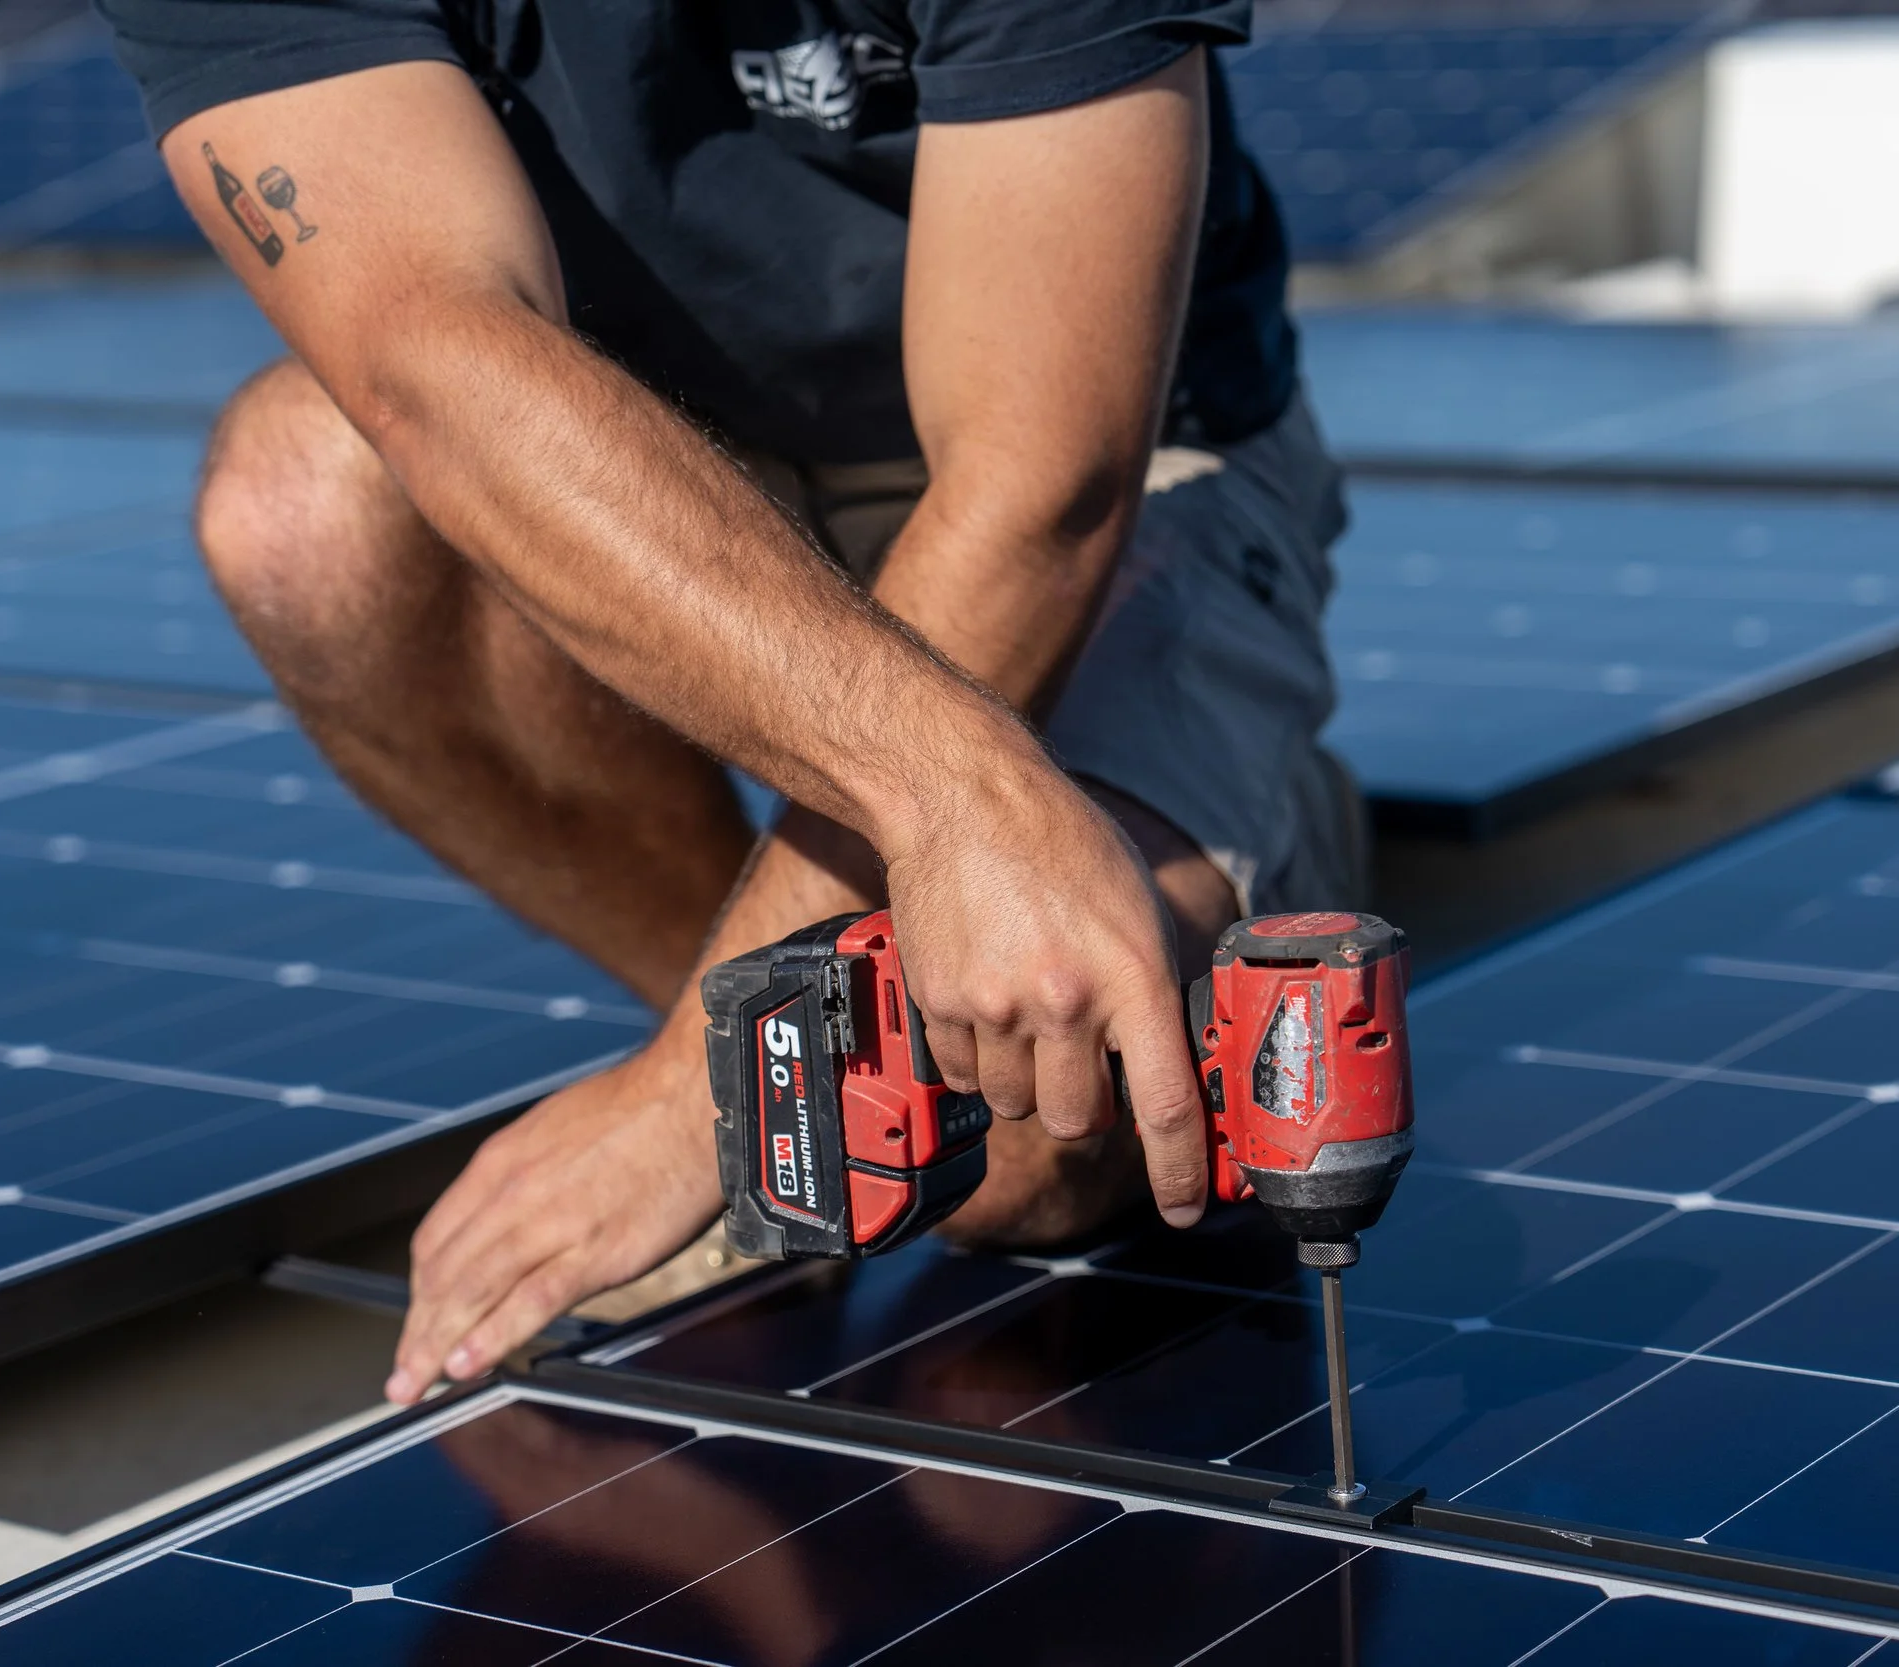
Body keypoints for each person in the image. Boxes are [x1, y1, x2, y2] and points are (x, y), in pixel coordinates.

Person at [94, 0, 1356, 1406]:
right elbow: (427, 350)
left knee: (1021, 1158)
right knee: (303, 501)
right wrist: (758, 1041)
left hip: (1097, 469)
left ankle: (1252, 827)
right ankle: (787, 1059)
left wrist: (693, 1083)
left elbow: (1038, 489)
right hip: (675, 451)